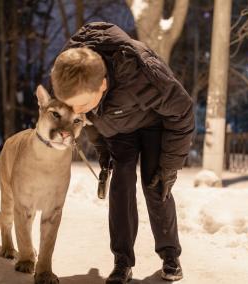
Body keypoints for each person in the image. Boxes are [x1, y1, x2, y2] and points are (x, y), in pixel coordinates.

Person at [50, 22, 194, 283]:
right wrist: (103, 151)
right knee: (122, 184)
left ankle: (170, 255)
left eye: (82, 104)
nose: (77, 111)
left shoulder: (143, 72)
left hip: (155, 124)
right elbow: (90, 121)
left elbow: (183, 111)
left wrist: (170, 165)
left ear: (103, 84)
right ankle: (122, 261)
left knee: (156, 184)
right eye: (72, 106)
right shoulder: (70, 78)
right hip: (118, 131)